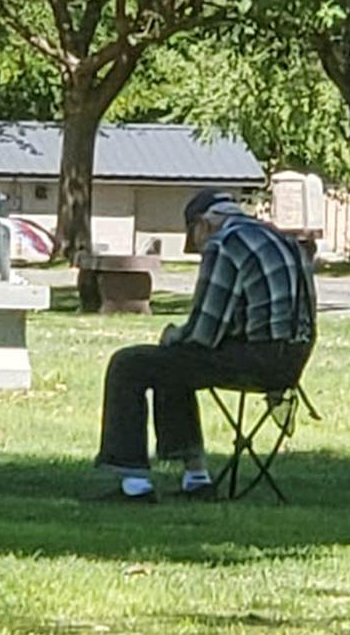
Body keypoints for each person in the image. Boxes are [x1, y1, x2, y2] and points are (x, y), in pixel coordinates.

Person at [92, 188, 316, 502]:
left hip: (256, 360)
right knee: (174, 364)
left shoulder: (226, 244)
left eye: (194, 239)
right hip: (290, 359)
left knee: (130, 364)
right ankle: (195, 479)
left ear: (203, 225)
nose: (198, 249)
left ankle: (135, 482)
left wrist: (172, 335)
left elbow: (204, 330)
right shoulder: (281, 239)